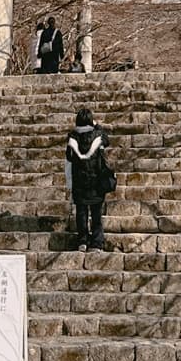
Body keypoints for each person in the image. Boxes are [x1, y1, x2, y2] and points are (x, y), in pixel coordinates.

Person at [65, 106, 111, 252]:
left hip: (79, 182)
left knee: (81, 213)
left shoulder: (72, 137)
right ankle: (97, 242)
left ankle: (82, 241)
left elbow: (69, 159)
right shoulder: (98, 135)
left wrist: (69, 184)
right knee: (96, 214)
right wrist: (97, 125)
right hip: (96, 182)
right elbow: (107, 139)